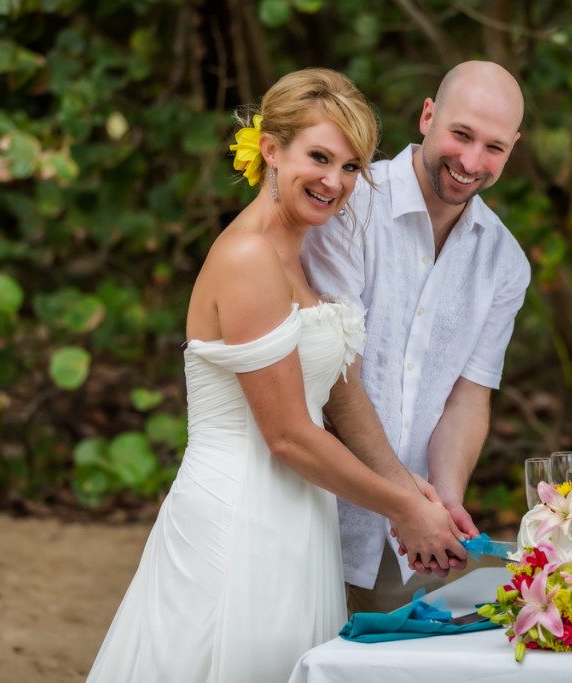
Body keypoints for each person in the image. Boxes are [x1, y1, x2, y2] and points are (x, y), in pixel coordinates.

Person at [85, 68, 466, 683]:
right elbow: (286, 433)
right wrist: (402, 508)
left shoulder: (300, 248)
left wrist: (407, 483)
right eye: (319, 157)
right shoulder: (247, 258)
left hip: (298, 514)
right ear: (270, 149)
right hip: (239, 514)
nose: (334, 182)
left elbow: (337, 388)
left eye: (350, 167)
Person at [301, 60, 530, 613]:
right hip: (311, 509)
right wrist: (407, 500)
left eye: (494, 148)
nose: (472, 162)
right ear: (428, 116)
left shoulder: (505, 262)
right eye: (461, 134)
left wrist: (444, 501)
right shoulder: (347, 205)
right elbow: (338, 377)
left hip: (411, 539)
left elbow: (467, 396)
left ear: (513, 148)